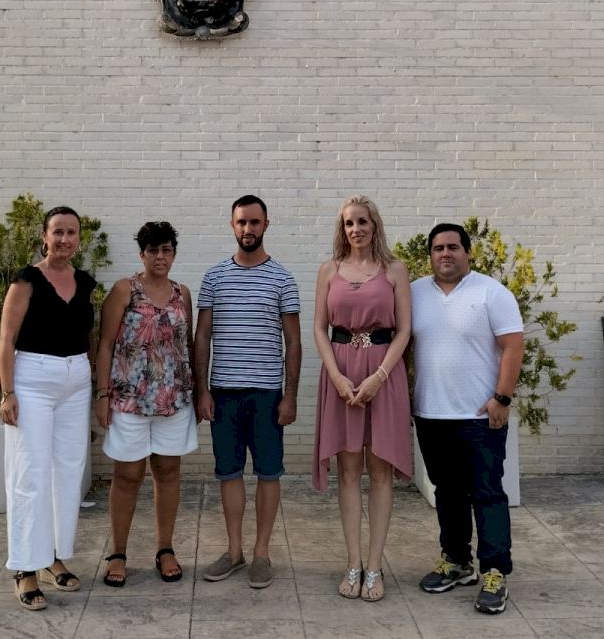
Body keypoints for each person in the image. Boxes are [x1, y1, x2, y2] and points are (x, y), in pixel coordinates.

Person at [410, 222, 524, 615]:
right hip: (430, 413)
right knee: (447, 492)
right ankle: (457, 561)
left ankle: (494, 571)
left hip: (478, 417)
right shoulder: (414, 293)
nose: (446, 253)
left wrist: (501, 398)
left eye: (453, 247)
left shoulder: (492, 292)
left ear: (467, 252)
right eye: (438, 248)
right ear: (430, 255)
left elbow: (513, 347)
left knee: (487, 493)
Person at [194, 194, 301, 590]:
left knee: (269, 474)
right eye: (241, 222)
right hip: (223, 393)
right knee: (229, 473)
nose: (248, 229)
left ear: (266, 225)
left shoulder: (283, 278)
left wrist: (290, 396)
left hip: (267, 395)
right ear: (232, 225)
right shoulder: (214, 277)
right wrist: (202, 390)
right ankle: (235, 550)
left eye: (255, 222)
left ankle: (261, 554)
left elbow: (294, 342)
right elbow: (202, 337)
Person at [311, 195, 412, 602]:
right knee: (349, 471)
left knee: (380, 471)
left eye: (362, 221)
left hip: (383, 375)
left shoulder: (394, 270)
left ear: (375, 225)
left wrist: (380, 376)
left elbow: (404, 330)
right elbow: (319, 328)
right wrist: (336, 377)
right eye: (349, 223)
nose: (356, 229)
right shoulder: (329, 270)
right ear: (342, 229)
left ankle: (374, 567)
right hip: (341, 376)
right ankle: (352, 563)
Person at [0, 206, 96, 610]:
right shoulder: (27, 280)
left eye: (71, 232)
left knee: (67, 472)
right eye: (57, 231)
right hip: (33, 380)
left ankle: (51, 556)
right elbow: (6, 340)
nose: (64, 239)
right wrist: (8, 392)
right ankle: (24, 567)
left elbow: (90, 335)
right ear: (44, 236)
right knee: (30, 474)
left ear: (79, 239)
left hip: (76, 380)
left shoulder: (85, 281)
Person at [94, 221, 198, 588]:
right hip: (129, 400)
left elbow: (188, 347)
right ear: (142, 254)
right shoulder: (125, 290)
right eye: (152, 250)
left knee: (168, 472)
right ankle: (118, 553)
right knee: (127, 475)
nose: (160, 256)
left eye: (166, 249)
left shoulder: (183, 294)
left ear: (174, 254)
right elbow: (105, 343)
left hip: (173, 400)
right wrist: (102, 395)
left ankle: (165, 549)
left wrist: (198, 393)